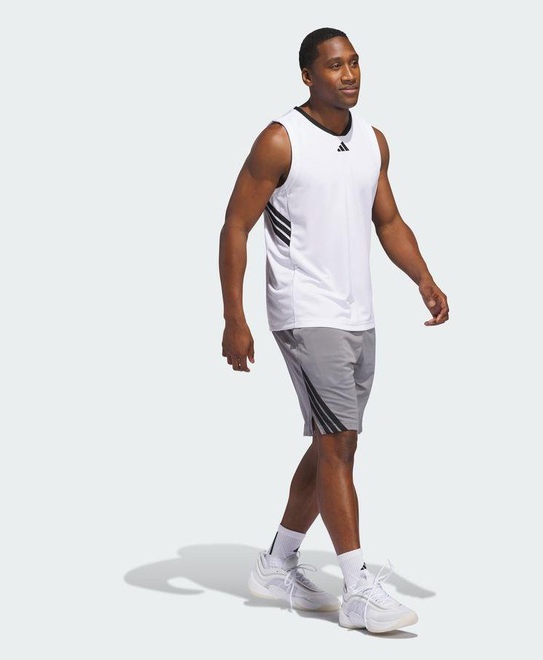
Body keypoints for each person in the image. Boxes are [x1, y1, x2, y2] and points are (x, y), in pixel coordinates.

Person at [218, 27, 449, 634]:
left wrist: (423, 278)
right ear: (307, 75)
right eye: (334, 66)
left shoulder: (372, 140)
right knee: (339, 441)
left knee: (334, 443)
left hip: (358, 313)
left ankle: (277, 562)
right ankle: (358, 588)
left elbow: (388, 220)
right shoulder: (280, 140)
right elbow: (235, 225)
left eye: (354, 63)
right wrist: (234, 317)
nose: (349, 75)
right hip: (305, 312)